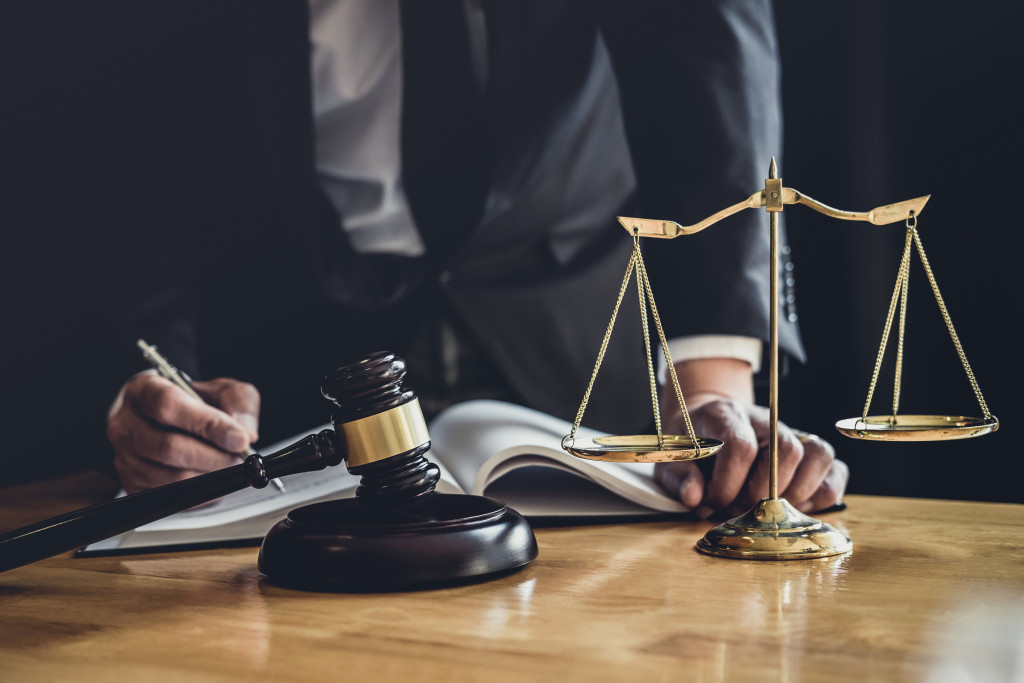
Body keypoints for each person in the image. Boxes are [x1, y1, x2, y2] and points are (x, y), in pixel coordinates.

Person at [7, 0, 846, 516]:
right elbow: (124, 170)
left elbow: (706, 58)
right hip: (300, 354)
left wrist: (712, 389)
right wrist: (149, 379)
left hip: (579, 310)